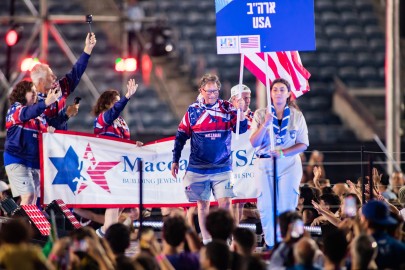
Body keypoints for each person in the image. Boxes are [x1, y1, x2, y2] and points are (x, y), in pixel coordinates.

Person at [171, 74, 248, 244]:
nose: (212, 94)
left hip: (223, 167)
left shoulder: (228, 108)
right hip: (198, 168)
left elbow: (241, 130)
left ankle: (225, 239)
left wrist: (240, 111)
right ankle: (206, 240)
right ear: (201, 91)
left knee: (226, 204)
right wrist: (175, 159)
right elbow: (180, 136)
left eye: (215, 91)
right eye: (209, 91)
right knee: (202, 205)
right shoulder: (192, 110)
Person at [249, 78, 309, 248]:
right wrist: (265, 124)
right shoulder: (261, 114)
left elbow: (303, 144)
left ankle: (286, 243)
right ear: (270, 93)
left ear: (289, 93)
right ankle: (270, 243)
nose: (278, 93)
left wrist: (283, 152)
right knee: (266, 206)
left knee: (286, 206)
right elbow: (253, 142)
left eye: (282, 89)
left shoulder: (297, 116)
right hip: (265, 163)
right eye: (275, 90)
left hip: (288, 163)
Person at [92, 79, 141, 237]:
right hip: (108, 166)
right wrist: (127, 97)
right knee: (113, 204)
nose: (119, 105)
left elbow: (122, 143)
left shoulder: (121, 121)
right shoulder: (102, 119)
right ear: (107, 104)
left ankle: (102, 234)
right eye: (116, 102)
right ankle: (105, 236)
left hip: (121, 166)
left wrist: (134, 145)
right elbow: (113, 113)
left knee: (119, 204)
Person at [3, 80, 60, 205]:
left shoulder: (38, 116)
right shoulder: (15, 109)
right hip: (16, 159)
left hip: (32, 163)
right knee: (28, 195)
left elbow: (46, 130)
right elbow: (27, 114)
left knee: (33, 199)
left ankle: (25, 224)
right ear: (22, 93)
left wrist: (51, 129)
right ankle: (16, 224)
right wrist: (45, 103)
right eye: (31, 91)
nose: (35, 94)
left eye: (35, 91)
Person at [30, 33, 97, 130]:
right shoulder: (32, 102)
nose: (55, 77)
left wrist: (88, 48)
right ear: (41, 81)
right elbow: (48, 128)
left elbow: (76, 72)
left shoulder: (59, 88)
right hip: (43, 144)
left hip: (62, 141)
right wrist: (67, 114)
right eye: (50, 76)